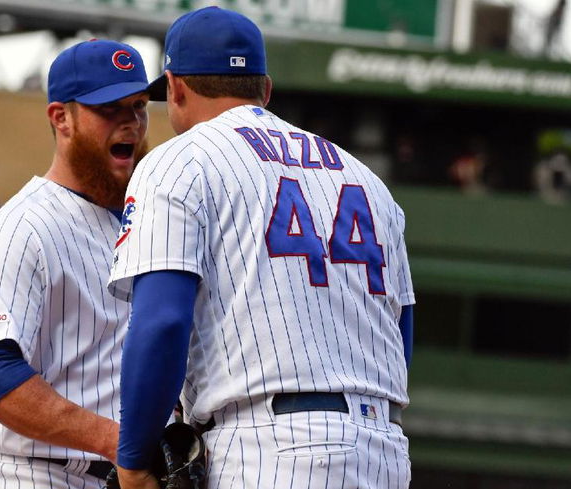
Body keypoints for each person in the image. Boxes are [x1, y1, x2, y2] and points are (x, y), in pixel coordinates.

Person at [109, 7, 415, 489]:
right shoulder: (367, 180)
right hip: (383, 450)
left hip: (269, 449)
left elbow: (163, 320)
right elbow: (401, 329)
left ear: (175, 87)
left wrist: (131, 460)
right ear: (265, 91)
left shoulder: (179, 161)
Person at [0, 39, 149, 488]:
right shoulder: (21, 228)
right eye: (110, 108)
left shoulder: (144, 221)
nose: (131, 122)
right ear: (61, 118)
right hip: (34, 475)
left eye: (138, 106)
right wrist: (118, 441)